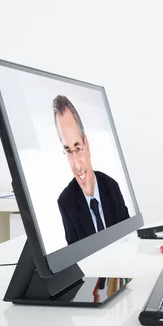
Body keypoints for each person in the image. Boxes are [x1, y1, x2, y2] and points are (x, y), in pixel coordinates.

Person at [53, 95, 130, 245]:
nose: (76, 164)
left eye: (78, 148)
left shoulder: (111, 187)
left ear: (87, 145)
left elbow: (130, 238)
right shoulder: (66, 202)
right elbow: (74, 258)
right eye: (68, 151)